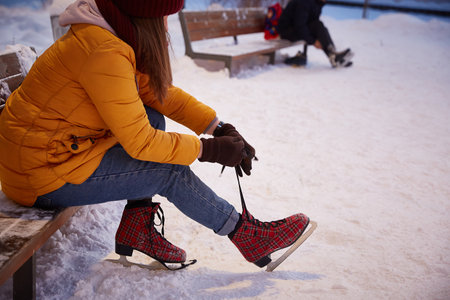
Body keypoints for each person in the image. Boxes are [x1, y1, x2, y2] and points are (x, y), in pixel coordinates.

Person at [0, 0, 309, 269]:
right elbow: (141, 141)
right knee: (168, 172)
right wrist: (209, 150)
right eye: (163, 17)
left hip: (51, 153)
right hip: (39, 174)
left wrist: (218, 127)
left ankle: (138, 226)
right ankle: (245, 235)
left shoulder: (110, 33)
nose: (165, 26)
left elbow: (156, 93)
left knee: (151, 116)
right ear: (145, 17)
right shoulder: (103, 50)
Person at [277, 0, 354, 67]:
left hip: (296, 29)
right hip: (286, 31)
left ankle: (334, 56)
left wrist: (318, 38)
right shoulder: (304, 2)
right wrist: (313, 41)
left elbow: (312, 24)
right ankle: (334, 57)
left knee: (320, 26)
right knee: (318, 25)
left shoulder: (317, 3)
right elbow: (299, 25)